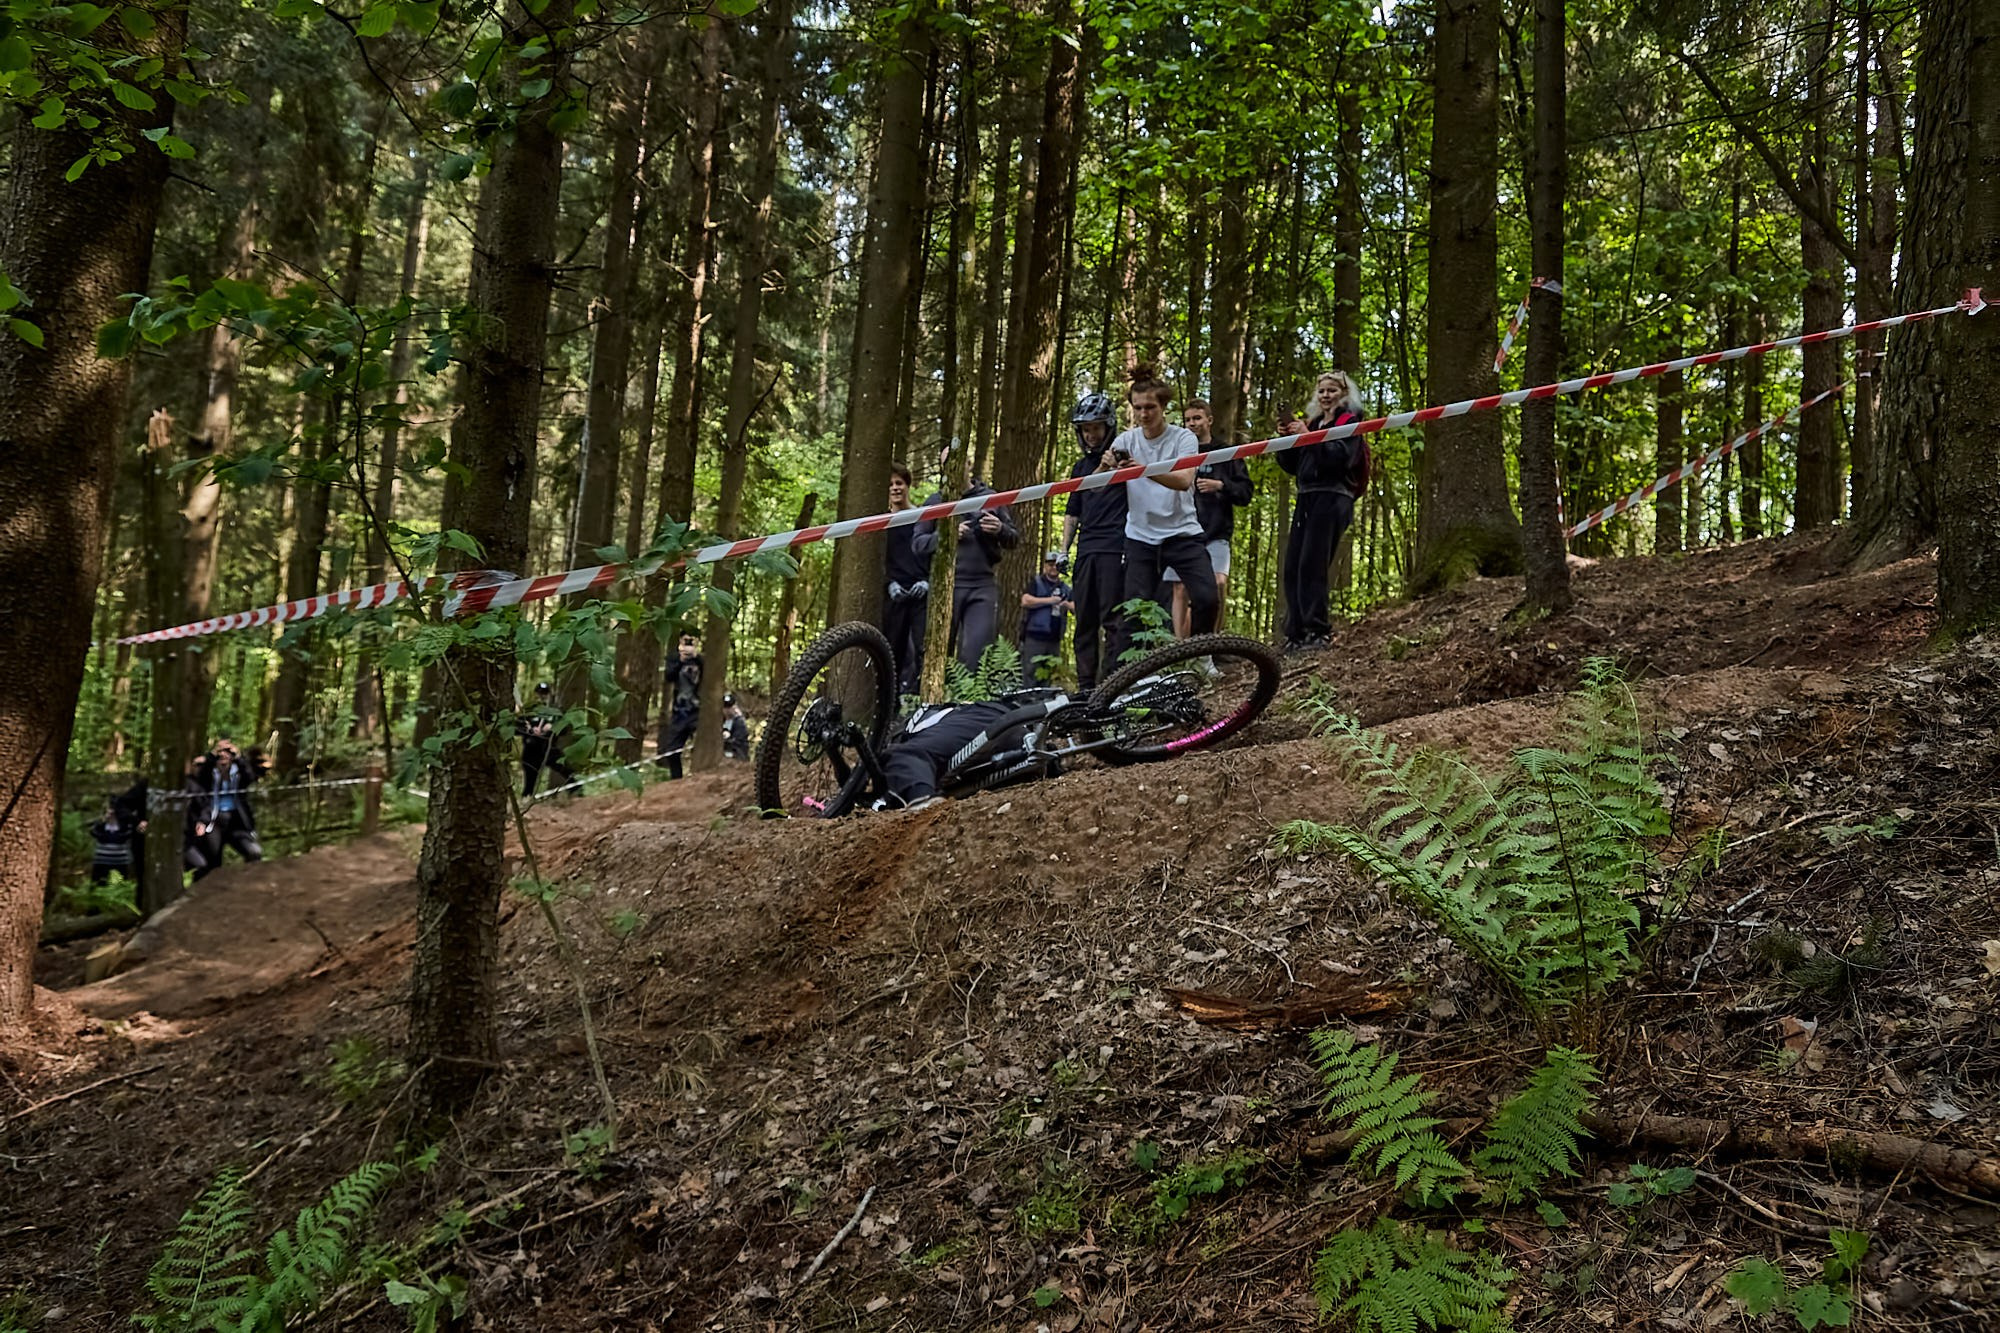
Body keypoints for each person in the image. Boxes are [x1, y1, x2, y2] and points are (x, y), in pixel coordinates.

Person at [1111, 365, 1218, 640]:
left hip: (1182, 532)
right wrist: (1104, 467)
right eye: (1138, 408)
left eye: (1150, 407)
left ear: (1163, 407)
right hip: (1140, 536)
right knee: (1136, 610)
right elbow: (1098, 488)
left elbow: (1184, 480)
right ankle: (1136, 674)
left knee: (1207, 597)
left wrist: (1142, 468)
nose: (1144, 414)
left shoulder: (1183, 438)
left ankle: (1201, 655)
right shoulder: (1125, 439)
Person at [1276, 371, 1366, 651]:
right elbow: (1293, 466)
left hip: (1333, 496)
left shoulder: (1349, 422)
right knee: (1292, 567)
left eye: (1332, 390)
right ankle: (1296, 632)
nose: (1326, 395)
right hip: (1306, 496)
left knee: (1312, 565)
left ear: (1343, 393)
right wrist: (1286, 441)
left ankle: (1317, 631)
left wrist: (1310, 436)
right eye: (1322, 391)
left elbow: (1340, 459)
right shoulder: (1313, 423)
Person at [913, 441, 1020, 672]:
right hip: (945, 587)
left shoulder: (991, 497)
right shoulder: (935, 502)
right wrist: (945, 537)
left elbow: (1014, 539)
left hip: (982, 586)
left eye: (957, 461)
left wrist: (1000, 528)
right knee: (937, 658)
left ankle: (970, 706)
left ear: (968, 463)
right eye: (946, 464)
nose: (952, 467)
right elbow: (918, 544)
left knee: (976, 655)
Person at [1160, 399, 1252, 637]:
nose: (1192, 423)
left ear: (1209, 420)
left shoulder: (1226, 452)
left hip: (1216, 533)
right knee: (1180, 589)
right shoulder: (1176, 453)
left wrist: (1221, 485)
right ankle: (1180, 647)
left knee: (1218, 584)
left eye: (1197, 418)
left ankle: (1213, 642)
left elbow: (1245, 493)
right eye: (1188, 419)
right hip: (1181, 533)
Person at [1060, 392, 1127, 692]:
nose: (1090, 434)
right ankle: (1086, 688)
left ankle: (1111, 684)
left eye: (1096, 427)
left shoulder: (1126, 460)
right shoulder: (1080, 468)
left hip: (1116, 547)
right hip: (1085, 551)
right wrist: (1063, 550)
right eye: (1085, 429)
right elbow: (1072, 512)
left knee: (1113, 620)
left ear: (1108, 426)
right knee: (1084, 620)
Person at [185, 737, 268, 881]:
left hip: (237, 822)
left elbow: (250, 777)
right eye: (220, 754)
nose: (223, 756)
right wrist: (213, 754)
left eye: (227, 753)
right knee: (212, 862)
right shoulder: (209, 773)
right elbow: (202, 774)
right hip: (213, 821)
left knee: (254, 852)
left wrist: (238, 756)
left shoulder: (239, 772)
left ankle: (250, 885)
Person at [882, 462, 929, 696]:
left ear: (907, 485)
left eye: (899, 483)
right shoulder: (880, 521)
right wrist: (888, 583)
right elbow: (879, 560)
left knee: (923, 648)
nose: (895, 488)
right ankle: (890, 704)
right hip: (894, 594)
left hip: (920, 593)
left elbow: (930, 553)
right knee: (892, 650)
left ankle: (922, 700)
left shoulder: (921, 517)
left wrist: (926, 581)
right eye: (890, 484)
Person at [1018, 550, 1074, 685]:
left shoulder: (1065, 588)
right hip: (1035, 636)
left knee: (1050, 674)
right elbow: (1025, 601)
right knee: (1030, 672)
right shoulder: (1036, 583)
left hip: (1054, 639)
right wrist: (1049, 601)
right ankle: (1028, 701)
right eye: (1050, 564)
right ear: (1045, 566)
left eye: (1056, 565)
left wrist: (1065, 604)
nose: (1053, 568)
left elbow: (1076, 607)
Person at [519, 681, 577, 797]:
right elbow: (517, 728)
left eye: (545, 694)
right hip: (531, 749)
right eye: (539, 693)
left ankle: (575, 790)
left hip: (548, 748)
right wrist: (530, 730)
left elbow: (565, 729)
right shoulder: (528, 710)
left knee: (565, 769)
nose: (542, 696)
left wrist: (552, 728)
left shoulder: (554, 712)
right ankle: (527, 798)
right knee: (530, 777)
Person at [658, 633, 703, 778]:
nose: (689, 643)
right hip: (680, 711)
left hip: (699, 711)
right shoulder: (674, 658)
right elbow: (668, 676)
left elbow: (711, 673)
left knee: (699, 746)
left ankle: (698, 777)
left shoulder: (702, 659)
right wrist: (681, 660)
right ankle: (676, 779)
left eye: (692, 640)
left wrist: (696, 657)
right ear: (680, 640)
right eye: (686, 640)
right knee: (672, 750)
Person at [89, 798, 139, 885]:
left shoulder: (124, 825)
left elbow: (128, 834)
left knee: (119, 884)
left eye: (113, 812)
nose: (111, 815)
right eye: (109, 812)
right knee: (99, 884)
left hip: (119, 861)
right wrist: (103, 820)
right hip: (102, 861)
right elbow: (93, 832)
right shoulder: (101, 825)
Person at [721, 692, 751, 760]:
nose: (727, 710)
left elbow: (738, 741)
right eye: (725, 707)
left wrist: (726, 739)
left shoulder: (739, 722)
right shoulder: (721, 720)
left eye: (729, 707)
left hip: (737, 753)